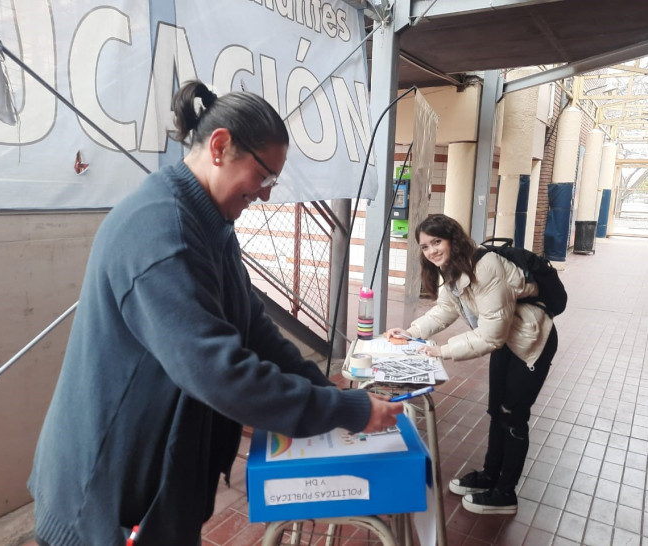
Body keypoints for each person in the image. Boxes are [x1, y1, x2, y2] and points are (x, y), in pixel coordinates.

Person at [28, 81, 403, 546]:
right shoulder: (161, 228)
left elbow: (256, 332)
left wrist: (328, 393)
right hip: (103, 496)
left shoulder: (212, 225)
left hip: (155, 485)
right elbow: (221, 373)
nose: (266, 195)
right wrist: (344, 409)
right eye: (264, 177)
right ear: (221, 146)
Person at [386, 214, 558, 515]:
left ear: (453, 238)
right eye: (425, 247)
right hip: (507, 339)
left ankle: (505, 494)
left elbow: (490, 336)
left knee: (513, 416)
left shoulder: (486, 266)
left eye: (436, 242)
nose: (432, 251)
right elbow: (444, 310)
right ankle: (490, 475)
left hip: (531, 342)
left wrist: (441, 351)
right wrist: (412, 333)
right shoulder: (452, 268)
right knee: (496, 411)